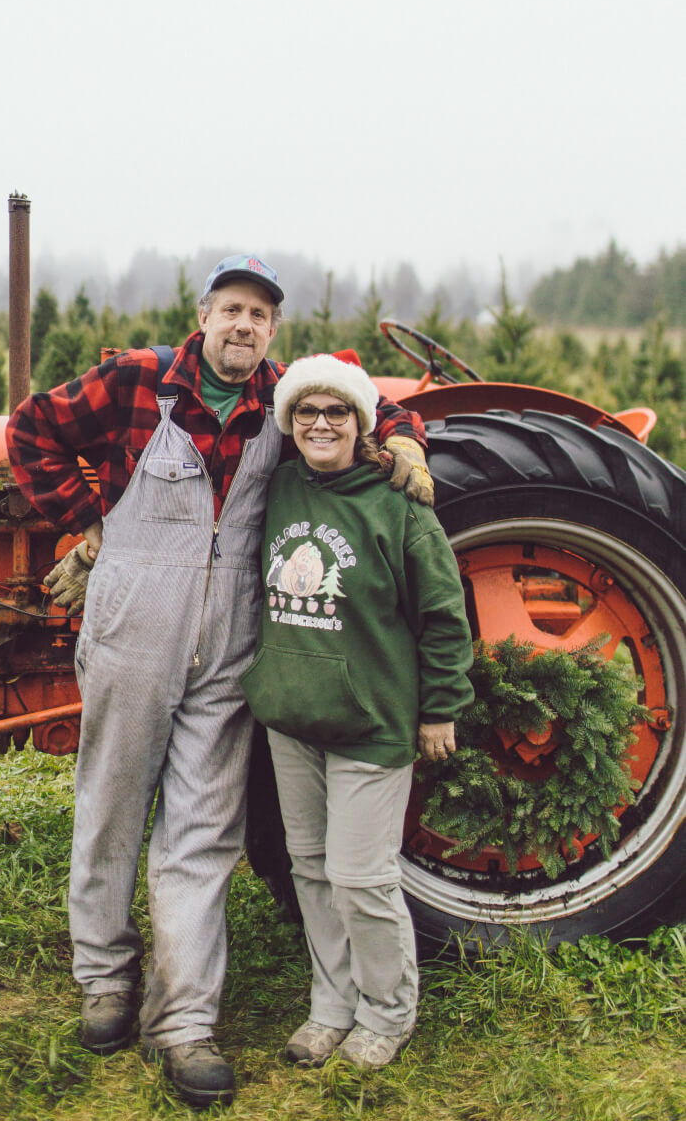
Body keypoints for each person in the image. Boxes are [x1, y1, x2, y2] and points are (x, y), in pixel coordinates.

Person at [5, 255, 432, 1109]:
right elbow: (29, 429)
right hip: (133, 630)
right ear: (203, 315)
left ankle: (186, 1022)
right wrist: (89, 525)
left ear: (274, 331)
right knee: (112, 804)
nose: (244, 326)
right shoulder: (137, 381)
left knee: (202, 831)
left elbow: (372, 403)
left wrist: (410, 440)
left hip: (231, 643)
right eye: (231, 309)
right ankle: (105, 978)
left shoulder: (285, 397)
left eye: (260, 316)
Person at [240, 353, 474, 1071]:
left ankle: (387, 1010)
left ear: (360, 423)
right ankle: (330, 1005)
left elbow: (442, 616)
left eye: (336, 412)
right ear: (289, 423)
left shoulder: (396, 504)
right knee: (308, 868)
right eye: (305, 412)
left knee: (359, 876)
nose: (319, 424)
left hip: (371, 722)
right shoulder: (275, 490)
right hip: (291, 717)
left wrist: (439, 711)